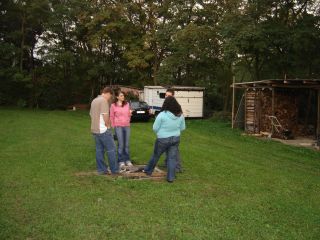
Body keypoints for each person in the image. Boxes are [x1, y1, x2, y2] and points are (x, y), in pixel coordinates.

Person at [144, 96, 186, 183]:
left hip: (162, 139)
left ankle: (148, 171)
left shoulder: (162, 115)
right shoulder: (180, 115)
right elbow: (182, 128)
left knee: (156, 155)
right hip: (175, 139)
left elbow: (155, 128)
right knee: (172, 158)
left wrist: (163, 132)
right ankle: (171, 177)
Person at [90, 87, 118, 175]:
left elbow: (91, 114)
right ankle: (114, 170)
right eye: (110, 96)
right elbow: (105, 115)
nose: (109, 98)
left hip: (95, 130)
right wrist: (108, 126)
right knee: (111, 150)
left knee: (99, 150)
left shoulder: (94, 100)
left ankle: (101, 170)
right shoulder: (103, 101)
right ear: (107, 93)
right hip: (103, 130)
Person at [110, 90, 133, 170]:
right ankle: (121, 161)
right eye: (121, 96)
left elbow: (129, 114)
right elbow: (111, 116)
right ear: (117, 97)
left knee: (126, 145)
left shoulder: (127, 104)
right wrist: (113, 126)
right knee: (121, 145)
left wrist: (130, 114)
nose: (123, 97)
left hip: (127, 126)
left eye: (123, 95)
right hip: (118, 126)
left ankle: (127, 160)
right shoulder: (113, 105)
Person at [163, 88, 183, 172]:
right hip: (166, 132)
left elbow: (180, 119)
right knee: (166, 148)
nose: (166, 97)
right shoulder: (165, 104)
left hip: (174, 133)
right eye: (166, 95)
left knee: (175, 151)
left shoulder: (176, 107)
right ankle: (167, 163)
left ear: (173, 96)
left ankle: (178, 167)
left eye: (168, 96)